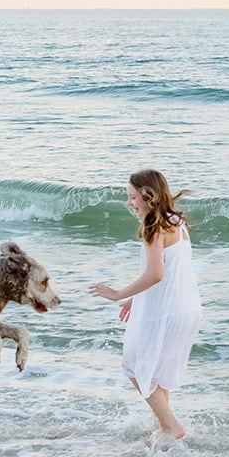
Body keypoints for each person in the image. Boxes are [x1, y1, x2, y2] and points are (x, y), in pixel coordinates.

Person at [89, 169, 201, 440]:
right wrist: (135, 298)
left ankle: (172, 426)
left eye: (132, 196)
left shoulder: (154, 225)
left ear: (148, 196)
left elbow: (156, 274)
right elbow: (171, 271)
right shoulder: (176, 221)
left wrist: (118, 294)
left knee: (135, 365)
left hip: (166, 309)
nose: (129, 203)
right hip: (185, 306)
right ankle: (164, 425)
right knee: (156, 369)